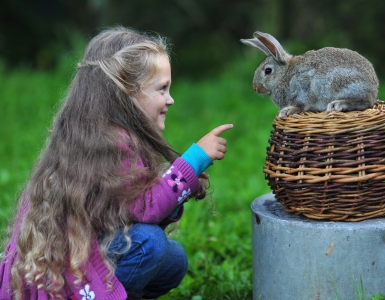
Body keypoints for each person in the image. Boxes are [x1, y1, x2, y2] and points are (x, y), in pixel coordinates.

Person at [0, 26, 233, 299]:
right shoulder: (109, 142)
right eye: (162, 88)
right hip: (65, 276)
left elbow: (126, 215)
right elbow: (146, 208)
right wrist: (194, 161)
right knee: (150, 244)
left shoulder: (98, 134)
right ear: (127, 91)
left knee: (174, 261)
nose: (170, 99)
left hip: (81, 257)